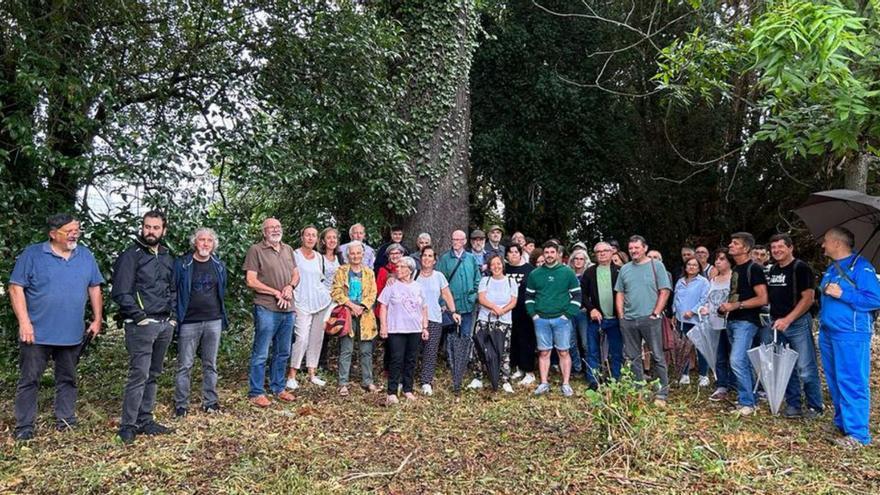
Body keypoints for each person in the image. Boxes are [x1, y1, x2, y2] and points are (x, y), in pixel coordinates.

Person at [10, 214, 103, 441]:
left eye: (77, 230)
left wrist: (97, 318)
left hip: (71, 332)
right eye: (68, 230)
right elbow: (15, 288)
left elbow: (95, 287)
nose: (74, 234)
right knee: (30, 379)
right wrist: (24, 322)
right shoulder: (33, 255)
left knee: (68, 378)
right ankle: (24, 425)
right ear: (53, 234)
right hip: (36, 333)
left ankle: (65, 419)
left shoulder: (85, 255)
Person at [112, 210, 177, 444]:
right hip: (142, 325)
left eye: (156, 227)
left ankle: (145, 419)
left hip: (163, 324)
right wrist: (139, 317)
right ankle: (128, 425)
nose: (151, 231)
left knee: (154, 374)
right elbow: (120, 291)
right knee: (138, 374)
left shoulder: (168, 257)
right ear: (142, 227)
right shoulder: (131, 255)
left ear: (163, 230)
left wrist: (172, 317)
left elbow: (173, 289)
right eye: (147, 227)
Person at [818, 227, 880, 448]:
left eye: (826, 241)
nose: (823, 245)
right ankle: (843, 424)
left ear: (837, 243)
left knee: (852, 380)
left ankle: (858, 434)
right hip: (829, 331)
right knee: (835, 379)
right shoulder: (833, 269)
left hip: (851, 333)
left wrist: (843, 294)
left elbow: (875, 299)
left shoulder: (862, 267)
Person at [763, 233, 823, 419]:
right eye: (773, 248)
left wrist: (788, 319)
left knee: (805, 366)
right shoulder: (773, 270)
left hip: (796, 323)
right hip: (777, 324)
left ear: (790, 248)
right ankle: (793, 404)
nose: (777, 251)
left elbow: (808, 298)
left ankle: (815, 406)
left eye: (780, 247)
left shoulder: (801, 268)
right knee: (784, 366)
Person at [173, 227, 228, 417]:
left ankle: (210, 402)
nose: (205, 243)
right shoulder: (183, 265)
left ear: (214, 244)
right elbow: (174, 290)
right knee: (185, 364)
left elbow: (222, 291)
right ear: (195, 242)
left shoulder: (218, 265)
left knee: (210, 363)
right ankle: (181, 405)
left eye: (209, 241)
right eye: (201, 240)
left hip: (213, 320)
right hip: (189, 321)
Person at [243, 217, 298, 408]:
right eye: (270, 227)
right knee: (261, 352)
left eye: (278, 227)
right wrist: (275, 292)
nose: (275, 230)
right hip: (266, 307)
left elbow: (296, 273)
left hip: (288, 308)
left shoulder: (288, 249)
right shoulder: (256, 250)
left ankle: (278, 387)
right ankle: (256, 392)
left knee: (283, 351)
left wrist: (290, 287)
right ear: (264, 232)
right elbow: (251, 280)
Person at [614, 235, 671, 407]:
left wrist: (656, 312)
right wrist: (621, 315)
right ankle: (638, 389)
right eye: (630, 248)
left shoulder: (656, 266)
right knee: (633, 357)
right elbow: (620, 293)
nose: (633, 251)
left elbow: (664, 290)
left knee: (658, 356)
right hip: (629, 319)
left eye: (636, 248)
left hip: (650, 318)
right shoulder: (625, 269)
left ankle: (662, 393)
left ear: (644, 248)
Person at [717, 232, 767, 416]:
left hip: (746, 321)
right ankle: (748, 398)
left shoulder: (754, 268)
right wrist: (726, 308)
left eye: (735, 243)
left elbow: (763, 298)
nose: (730, 245)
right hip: (733, 320)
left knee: (736, 360)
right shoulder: (737, 269)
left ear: (745, 248)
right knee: (741, 361)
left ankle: (747, 402)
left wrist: (735, 305)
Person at [525, 241, 582, 397]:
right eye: (546, 252)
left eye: (552, 252)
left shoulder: (567, 272)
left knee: (563, 351)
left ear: (558, 254)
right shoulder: (535, 274)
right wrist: (533, 314)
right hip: (541, 319)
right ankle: (544, 383)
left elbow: (577, 295)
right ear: (543, 254)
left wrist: (567, 315)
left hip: (561, 319)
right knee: (544, 352)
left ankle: (566, 384)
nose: (549, 255)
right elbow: (529, 296)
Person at [330, 241, 380, 396]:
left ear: (363, 255)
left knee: (366, 350)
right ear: (348, 255)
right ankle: (343, 382)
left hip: (365, 315)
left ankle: (368, 381)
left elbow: (373, 293)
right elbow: (336, 291)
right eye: (352, 253)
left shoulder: (369, 272)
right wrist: (351, 306)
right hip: (347, 315)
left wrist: (362, 307)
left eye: (358, 253)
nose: (355, 256)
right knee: (346, 349)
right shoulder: (341, 271)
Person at [286, 226, 333, 389]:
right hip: (301, 300)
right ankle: (292, 375)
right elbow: (291, 276)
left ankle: (312, 373)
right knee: (301, 338)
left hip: (320, 301)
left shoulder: (319, 257)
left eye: (313, 236)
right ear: (302, 237)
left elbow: (321, 280)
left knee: (316, 337)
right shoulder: (295, 255)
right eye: (307, 235)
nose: (310, 238)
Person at [378, 257, 429, 405]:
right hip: (396, 329)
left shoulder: (418, 286)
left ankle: (408, 389)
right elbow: (383, 306)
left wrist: (424, 327)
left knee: (411, 360)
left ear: (410, 270)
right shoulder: (391, 286)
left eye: (401, 266)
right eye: (397, 266)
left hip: (414, 329)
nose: (397, 269)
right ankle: (392, 391)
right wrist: (383, 326)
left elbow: (424, 307)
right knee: (396, 359)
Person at [437, 230, 482, 391]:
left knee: (466, 333)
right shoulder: (444, 259)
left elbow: (478, 278)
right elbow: (439, 281)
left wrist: (474, 295)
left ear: (464, 241)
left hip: (468, 304)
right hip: (451, 305)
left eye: (458, 239)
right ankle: (452, 360)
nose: (455, 242)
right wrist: (443, 302)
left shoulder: (470, 259)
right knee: (451, 335)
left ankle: (464, 361)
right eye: (453, 239)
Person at [415, 246, 459, 395]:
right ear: (420, 258)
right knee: (412, 350)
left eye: (430, 256)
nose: (427, 258)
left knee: (431, 351)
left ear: (434, 260)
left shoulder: (439, 276)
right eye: (424, 255)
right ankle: (406, 379)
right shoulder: (414, 275)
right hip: (414, 319)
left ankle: (426, 381)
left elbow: (446, 295)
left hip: (434, 318)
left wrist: (453, 312)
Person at [581, 241, 624, 389]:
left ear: (612, 252)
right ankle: (593, 380)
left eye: (605, 251)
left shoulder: (620, 271)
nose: (602, 254)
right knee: (592, 350)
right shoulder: (590, 272)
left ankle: (615, 379)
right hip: (596, 319)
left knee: (616, 351)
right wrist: (591, 308)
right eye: (598, 252)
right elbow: (582, 294)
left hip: (616, 319)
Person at [475, 254, 518, 393]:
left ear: (503, 265)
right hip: (484, 319)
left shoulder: (511, 282)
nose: (496, 267)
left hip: (504, 321)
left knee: (503, 350)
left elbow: (513, 301)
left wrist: (501, 311)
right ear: (489, 266)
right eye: (493, 264)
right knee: (480, 349)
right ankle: (478, 377)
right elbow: (481, 298)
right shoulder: (485, 281)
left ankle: (504, 379)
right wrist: (494, 307)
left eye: (498, 264)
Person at [703, 248, 735, 402]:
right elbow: (708, 301)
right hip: (715, 323)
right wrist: (704, 309)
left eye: (722, 259)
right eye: (717, 259)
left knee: (734, 355)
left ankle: (736, 384)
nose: (718, 262)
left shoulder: (735, 278)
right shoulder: (713, 281)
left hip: (731, 322)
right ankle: (722, 385)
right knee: (720, 356)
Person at [672, 258, 710, 386]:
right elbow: (675, 299)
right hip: (681, 320)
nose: (692, 267)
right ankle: (684, 374)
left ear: (699, 268)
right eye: (689, 264)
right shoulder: (680, 281)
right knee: (683, 348)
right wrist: (673, 313)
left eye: (695, 265)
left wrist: (693, 311)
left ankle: (703, 375)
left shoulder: (703, 282)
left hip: (696, 320)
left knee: (700, 348)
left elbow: (705, 299)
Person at [505, 244, 537, 386]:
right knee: (514, 341)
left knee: (527, 341)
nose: (513, 255)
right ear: (506, 255)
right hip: (508, 311)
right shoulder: (504, 269)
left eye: (516, 252)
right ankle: (518, 368)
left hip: (525, 311)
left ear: (520, 253)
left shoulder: (530, 270)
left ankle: (529, 371)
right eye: (510, 252)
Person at [566, 248, 590, 378]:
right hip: (569, 312)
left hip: (583, 312)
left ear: (585, 261)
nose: (578, 261)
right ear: (572, 260)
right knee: (571, 342)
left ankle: (589, 369)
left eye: (581, 259)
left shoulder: (588, 275)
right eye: (576, 258)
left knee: (585, 343)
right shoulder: (567, 274)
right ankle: (577, 367)